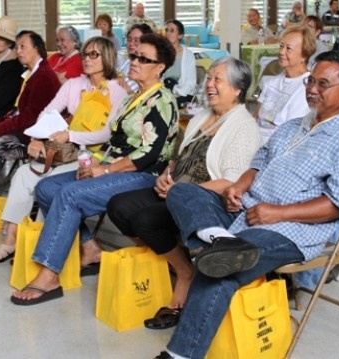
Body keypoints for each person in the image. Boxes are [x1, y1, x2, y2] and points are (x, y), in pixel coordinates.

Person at [153, 51, 339, 359]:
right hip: (246, 212)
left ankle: (181, 355)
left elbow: (338, 204)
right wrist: (240, 185)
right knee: (181, 193)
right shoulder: (293, 125)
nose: (312, 89)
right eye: (311, 81)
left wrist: (277, 213)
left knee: (220, 268)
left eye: (323, 84)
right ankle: (219, 238)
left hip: (290, 229)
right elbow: (259, 161)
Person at [10, 33, 179, 306]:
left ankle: (49, 274)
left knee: (69, 194)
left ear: (160, 67)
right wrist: (96, 164)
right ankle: (89, 247)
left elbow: (149, 154)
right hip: (115, 167)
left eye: (143, 59)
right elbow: (114, 141)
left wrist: (107, 170)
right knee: (47, 187)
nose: (134, 62)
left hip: (142, 176)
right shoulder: (133, 97)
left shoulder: (162, 100)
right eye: (134, 56)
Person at [107, 57, 262, 327]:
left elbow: (231, 181)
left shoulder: (244, 126)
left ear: (238, 89)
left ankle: (184, 273)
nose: (210, 84)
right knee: (118, 206)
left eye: (218, 79)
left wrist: (182, 191)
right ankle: (175, 261)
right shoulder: (201, 116)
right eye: (209, 78)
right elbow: (178, 160)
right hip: (175, 188)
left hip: (204, 199)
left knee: (146, 220)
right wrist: (166, 177)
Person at [0, 37, 127, 265]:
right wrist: (36, 138)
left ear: (108, 58)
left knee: (48, 182)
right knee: (23, 175)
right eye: (85, 54)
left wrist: (70, 135)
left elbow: (105, 134)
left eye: (94, 55)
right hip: (63, 149)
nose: (87, 59)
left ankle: (39, 243)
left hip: (92, 156)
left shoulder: (117, 92)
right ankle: (10, 240)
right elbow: (47, 113)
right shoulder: (74, 84)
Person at [0, 31, 60, 195]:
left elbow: (31, 117)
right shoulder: (32, 73)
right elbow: (18, 111)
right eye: (17, 46)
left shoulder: (43, 76)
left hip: (38, 138)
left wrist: (2, 127)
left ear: (37, 49)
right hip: (25, 129)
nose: (19, 51)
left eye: (23, 46)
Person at [254, 24, 314, 143]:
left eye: (288, 48)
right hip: (254, 141)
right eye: (281, 46)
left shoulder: (307, 87)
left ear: (304, 55)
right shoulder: (272, 82)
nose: (281, 52)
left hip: (277, 146)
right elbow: (255, 117)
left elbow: (290, 134)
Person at [163, 20, 196, 107]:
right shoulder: (161, 53)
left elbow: (191, 83)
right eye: (167, 30)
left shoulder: (188, 55)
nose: (168, 33)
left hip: (183, 94)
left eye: (172, 30)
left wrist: (176, 91)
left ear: (180, 35)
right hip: (164, 92)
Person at [117, 23, 153, 94]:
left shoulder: (148, 65)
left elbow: (125, 90)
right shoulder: (128, 61)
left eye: (136, 40)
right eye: (129, 39)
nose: (131, 43)